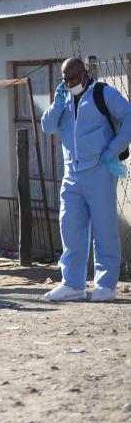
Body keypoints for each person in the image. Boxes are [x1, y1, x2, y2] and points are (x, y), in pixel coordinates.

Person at [41, 57, 131, 302]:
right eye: (65, 79)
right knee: (69, 227)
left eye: (73, 77)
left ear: (85, 73)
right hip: (72, 173)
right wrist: (57, 105)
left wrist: (114, 149)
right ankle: (72, 284)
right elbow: (47, 126)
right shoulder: (64, 98)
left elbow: (128, 118)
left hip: (99, 169)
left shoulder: (103, 93)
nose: (69, 83)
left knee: (104, 229)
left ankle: (106, 285)